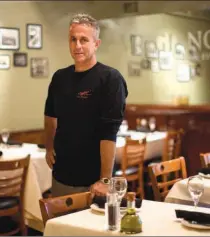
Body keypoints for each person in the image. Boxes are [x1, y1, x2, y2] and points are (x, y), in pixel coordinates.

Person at [44, 13, 128, 197]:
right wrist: (49, 147)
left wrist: (105, 180)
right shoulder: (59, 78)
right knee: (60, 226)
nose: (77, 46)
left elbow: (109, 133)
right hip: (61, 175)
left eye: (84, 40)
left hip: (94, 181)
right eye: (73, 40)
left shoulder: (110, 79)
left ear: (96, 44)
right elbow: (50, 115)